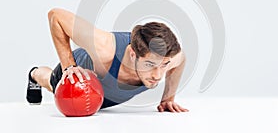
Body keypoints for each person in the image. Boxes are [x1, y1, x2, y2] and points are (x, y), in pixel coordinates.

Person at [26, 8, 188, 112]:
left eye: (164, 65)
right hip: (78, 81)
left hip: (106, 97)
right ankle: (34, 74)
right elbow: (56, 16)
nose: (158, 75)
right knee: (50, 82)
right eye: (150, 65)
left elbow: (180, 60)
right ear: (133, 54)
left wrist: (168, 98)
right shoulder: (105, 48)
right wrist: (68, 67)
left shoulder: (168, 58)